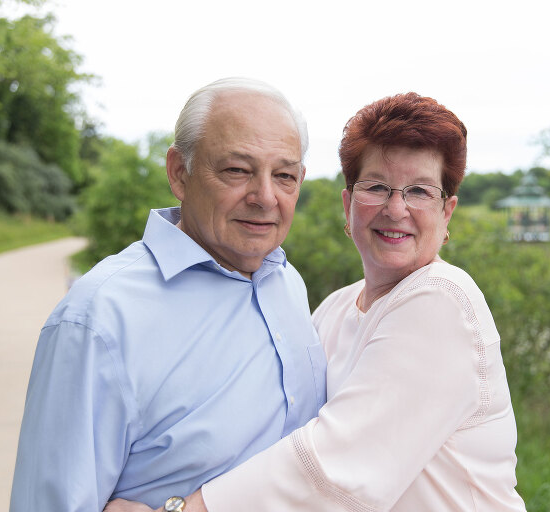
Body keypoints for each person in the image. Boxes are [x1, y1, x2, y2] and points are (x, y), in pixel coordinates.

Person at [108, 92, 526, 512]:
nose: (396, 208)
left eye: (419, 191)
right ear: (348, 206)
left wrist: (179, 510)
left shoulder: (442, 301)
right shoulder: (336, 308)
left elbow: (335, 469)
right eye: (376, 187)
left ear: (446, 212)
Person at [9, 78, 327, 511]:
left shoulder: (287, 283)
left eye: (285, 176)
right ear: (180, 172)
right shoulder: (97, 317)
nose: (265, 197)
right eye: (237, 170)